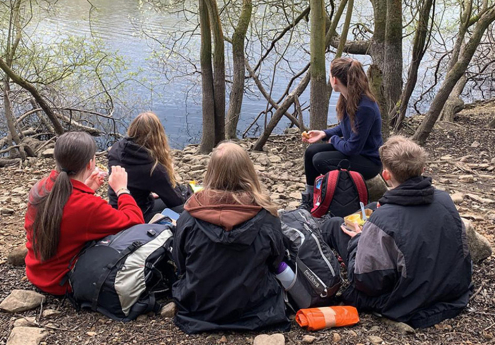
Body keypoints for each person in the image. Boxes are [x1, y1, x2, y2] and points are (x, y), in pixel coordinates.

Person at [320, 135, 472, 328]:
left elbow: (366, 281)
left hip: (407, 301)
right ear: (422, 169)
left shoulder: (382, 220)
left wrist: (358, 239)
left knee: (333, 225)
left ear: (386, 175)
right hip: (452, 290)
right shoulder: (444, 199)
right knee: (374, 206)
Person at [172, 142, 290, 334]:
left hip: (198, 308)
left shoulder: (189, 217)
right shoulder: (267, 217)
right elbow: (276, 261)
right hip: (256, 308)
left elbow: (181, 263)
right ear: (248, 171)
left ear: (210, 172)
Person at [25, 132, 144, 295]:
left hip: (36, 273)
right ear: (90, 163)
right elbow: (136, 222)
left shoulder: (40, 187)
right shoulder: (88, 206)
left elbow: (65, 211)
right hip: (61, 282)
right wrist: (122, 189)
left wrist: (87, 189)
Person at [301, 58, 383, 210]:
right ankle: (310, 199)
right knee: (311, 152)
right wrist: (323, 134)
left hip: (369, 161)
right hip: (356, 152)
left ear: (335, 79)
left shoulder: (365, 107)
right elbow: (345, 128)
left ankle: (336, 199)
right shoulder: (348, 97)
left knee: (320, 160)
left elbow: (352, 148)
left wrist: (332, 140)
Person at [108, 112, 186, 223]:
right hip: (136, 217)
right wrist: (170, 173)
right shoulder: (153, 168)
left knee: (162, 197)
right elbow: (176, 201)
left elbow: (134, 182)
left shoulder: (116, 149)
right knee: (184, 208)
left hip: (115, 208)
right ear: (159, 135)